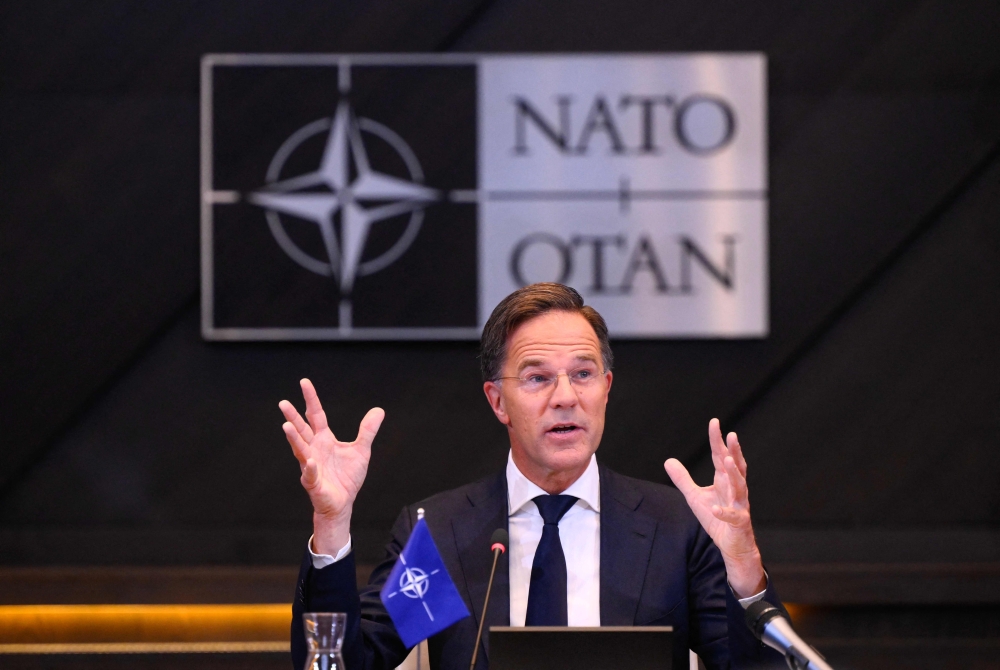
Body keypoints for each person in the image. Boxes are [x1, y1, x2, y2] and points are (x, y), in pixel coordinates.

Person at [280, 283, 786, 670]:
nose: (565, 396)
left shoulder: (673, 529)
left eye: (583, 374)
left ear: (606, 388)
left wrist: (745, 571)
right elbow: (346, 664)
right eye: (538, 377)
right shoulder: (445, 533)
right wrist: (332, 521)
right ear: (497, 400)